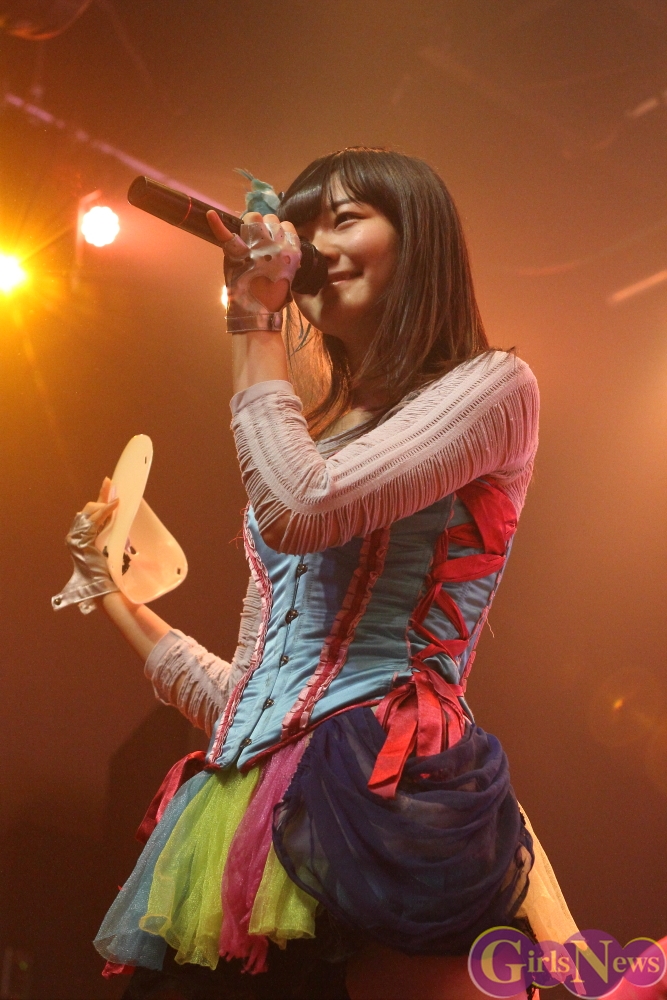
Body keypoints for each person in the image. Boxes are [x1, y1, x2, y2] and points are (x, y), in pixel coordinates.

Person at [54, 147, 577, 1000]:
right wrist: (110, 590)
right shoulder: (314, 437)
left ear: (419, 239)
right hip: (246, 804)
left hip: (380, 790)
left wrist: (251, 323)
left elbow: (300, 507)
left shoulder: (493, 387)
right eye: (300, 227)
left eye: (344, 219)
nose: (311, 246)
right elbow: (255, 702)